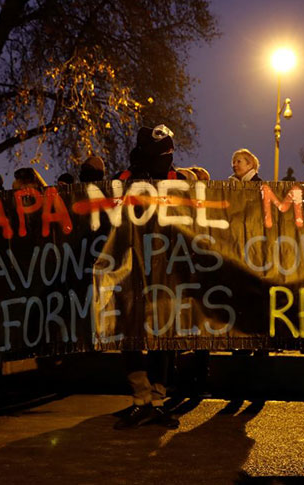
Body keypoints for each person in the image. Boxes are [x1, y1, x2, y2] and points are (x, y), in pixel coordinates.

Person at [114, 124, 181, 430]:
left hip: (166, 269)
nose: (168, 157)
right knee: (130, 333)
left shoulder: (175, 179)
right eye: (162, 152)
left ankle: (157, 398)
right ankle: (140, 398)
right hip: (130, 269)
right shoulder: (125, 179)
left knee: (163, 335)